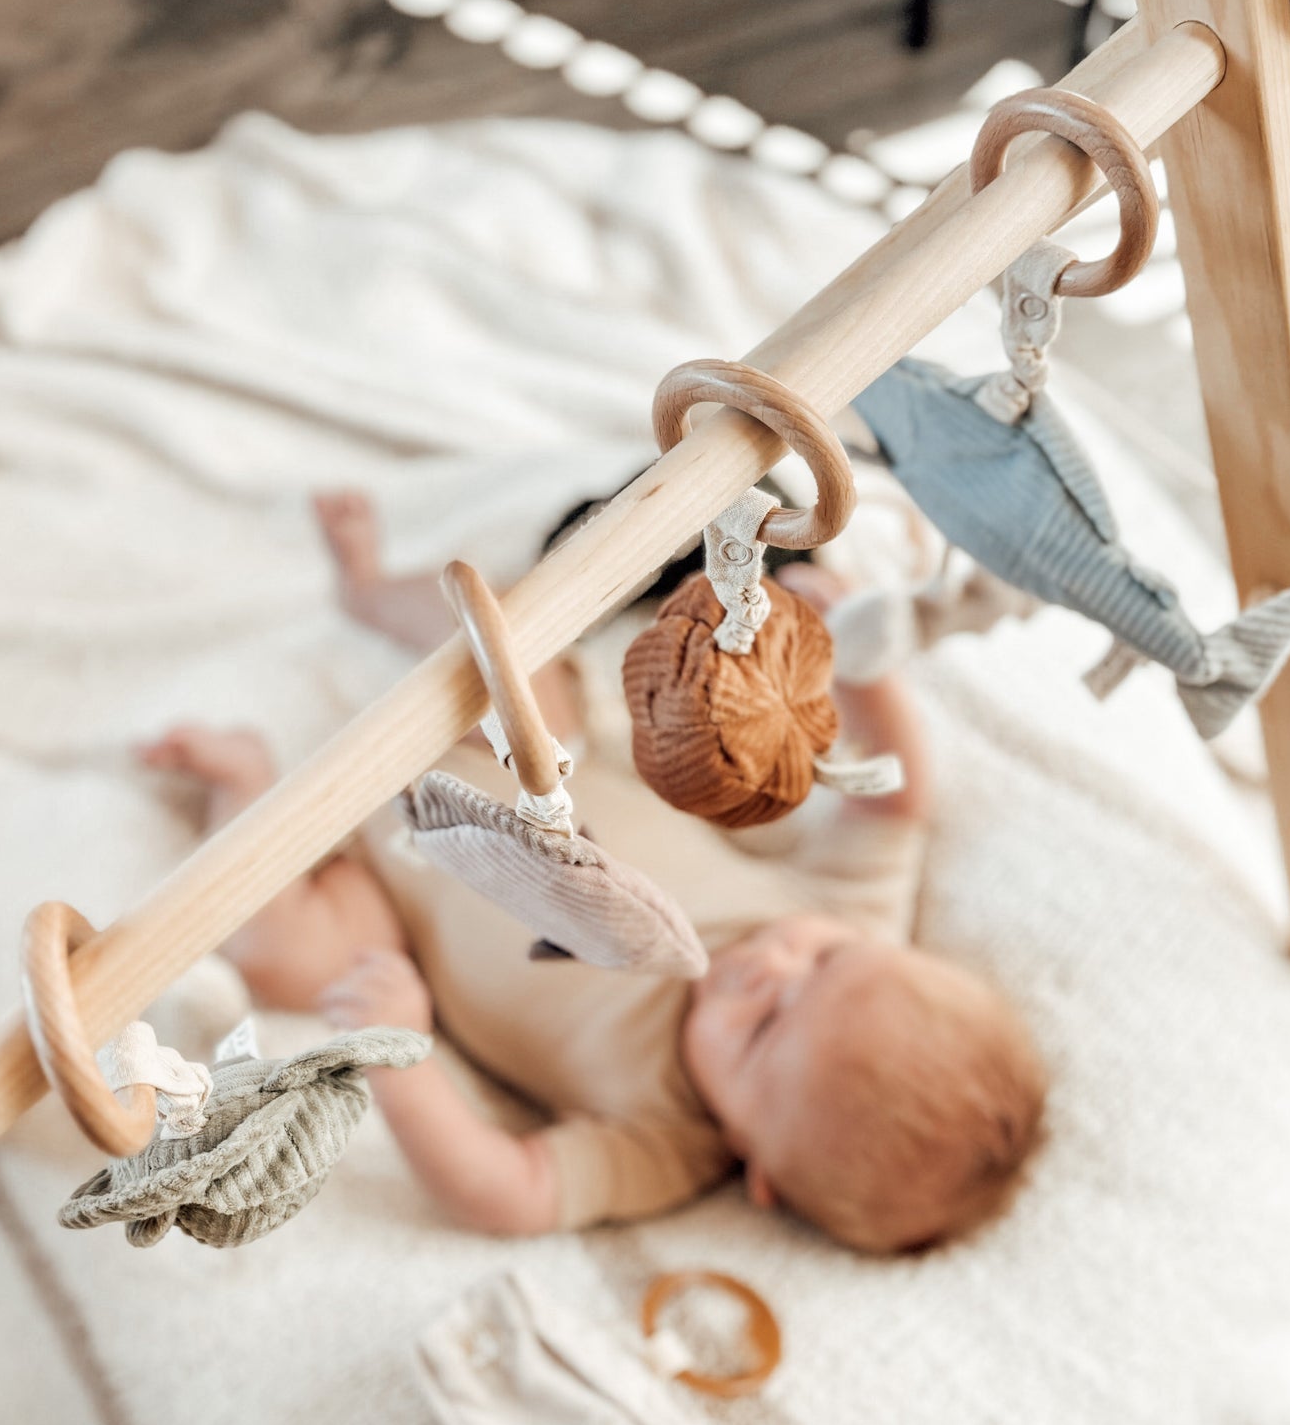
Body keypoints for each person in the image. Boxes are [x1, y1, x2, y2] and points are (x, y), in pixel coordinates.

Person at [139, 494, 1046, 1254]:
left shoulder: (667, 1145)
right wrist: (858, 666)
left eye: (764, 1028)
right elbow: (895, 805)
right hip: (540, 761)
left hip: (394, 906)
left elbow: (511, 1190)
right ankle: (373, 588)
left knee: (276, 950)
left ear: (756, 1166)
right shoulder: (860, 917)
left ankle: (245, 777)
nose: (773, 969)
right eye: (827, 961)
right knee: (515, 646)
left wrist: (401, 1057)